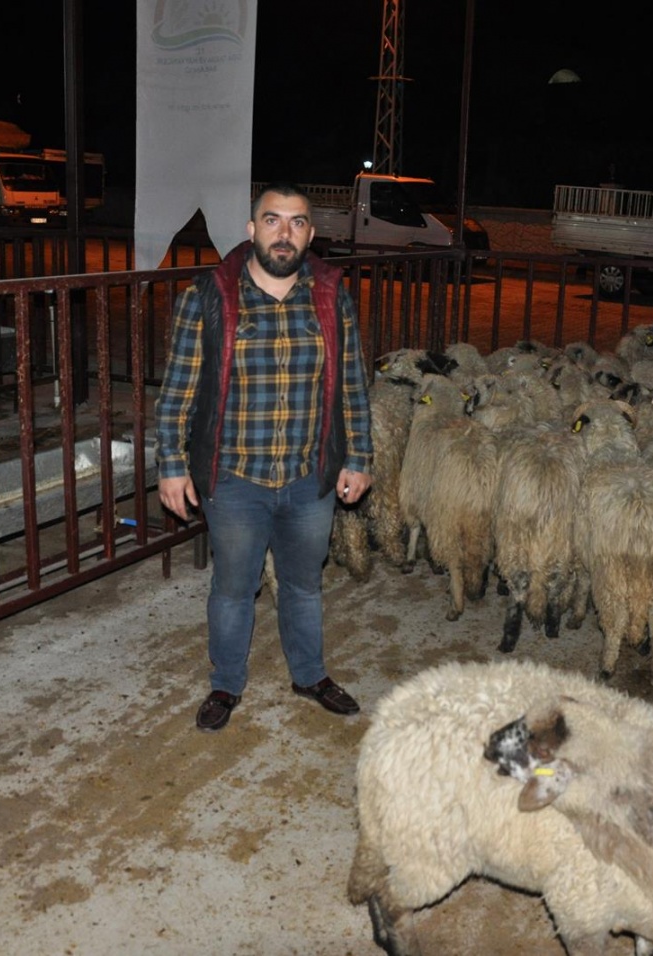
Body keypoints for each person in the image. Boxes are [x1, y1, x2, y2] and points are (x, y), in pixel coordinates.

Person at [155, 181, 374, 732]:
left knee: (304, 584)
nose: (284, 233)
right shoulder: (208, 297)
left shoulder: (330, 297)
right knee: (234, 588)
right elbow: (178, 391)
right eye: (273, 220)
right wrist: (172, 466)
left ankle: (310, 674)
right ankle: (226, 683)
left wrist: (358, 457)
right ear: (252, 229)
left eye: (297, 222)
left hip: (308, 476)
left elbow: (352, 385)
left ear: (310, 234)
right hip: (234, 479)